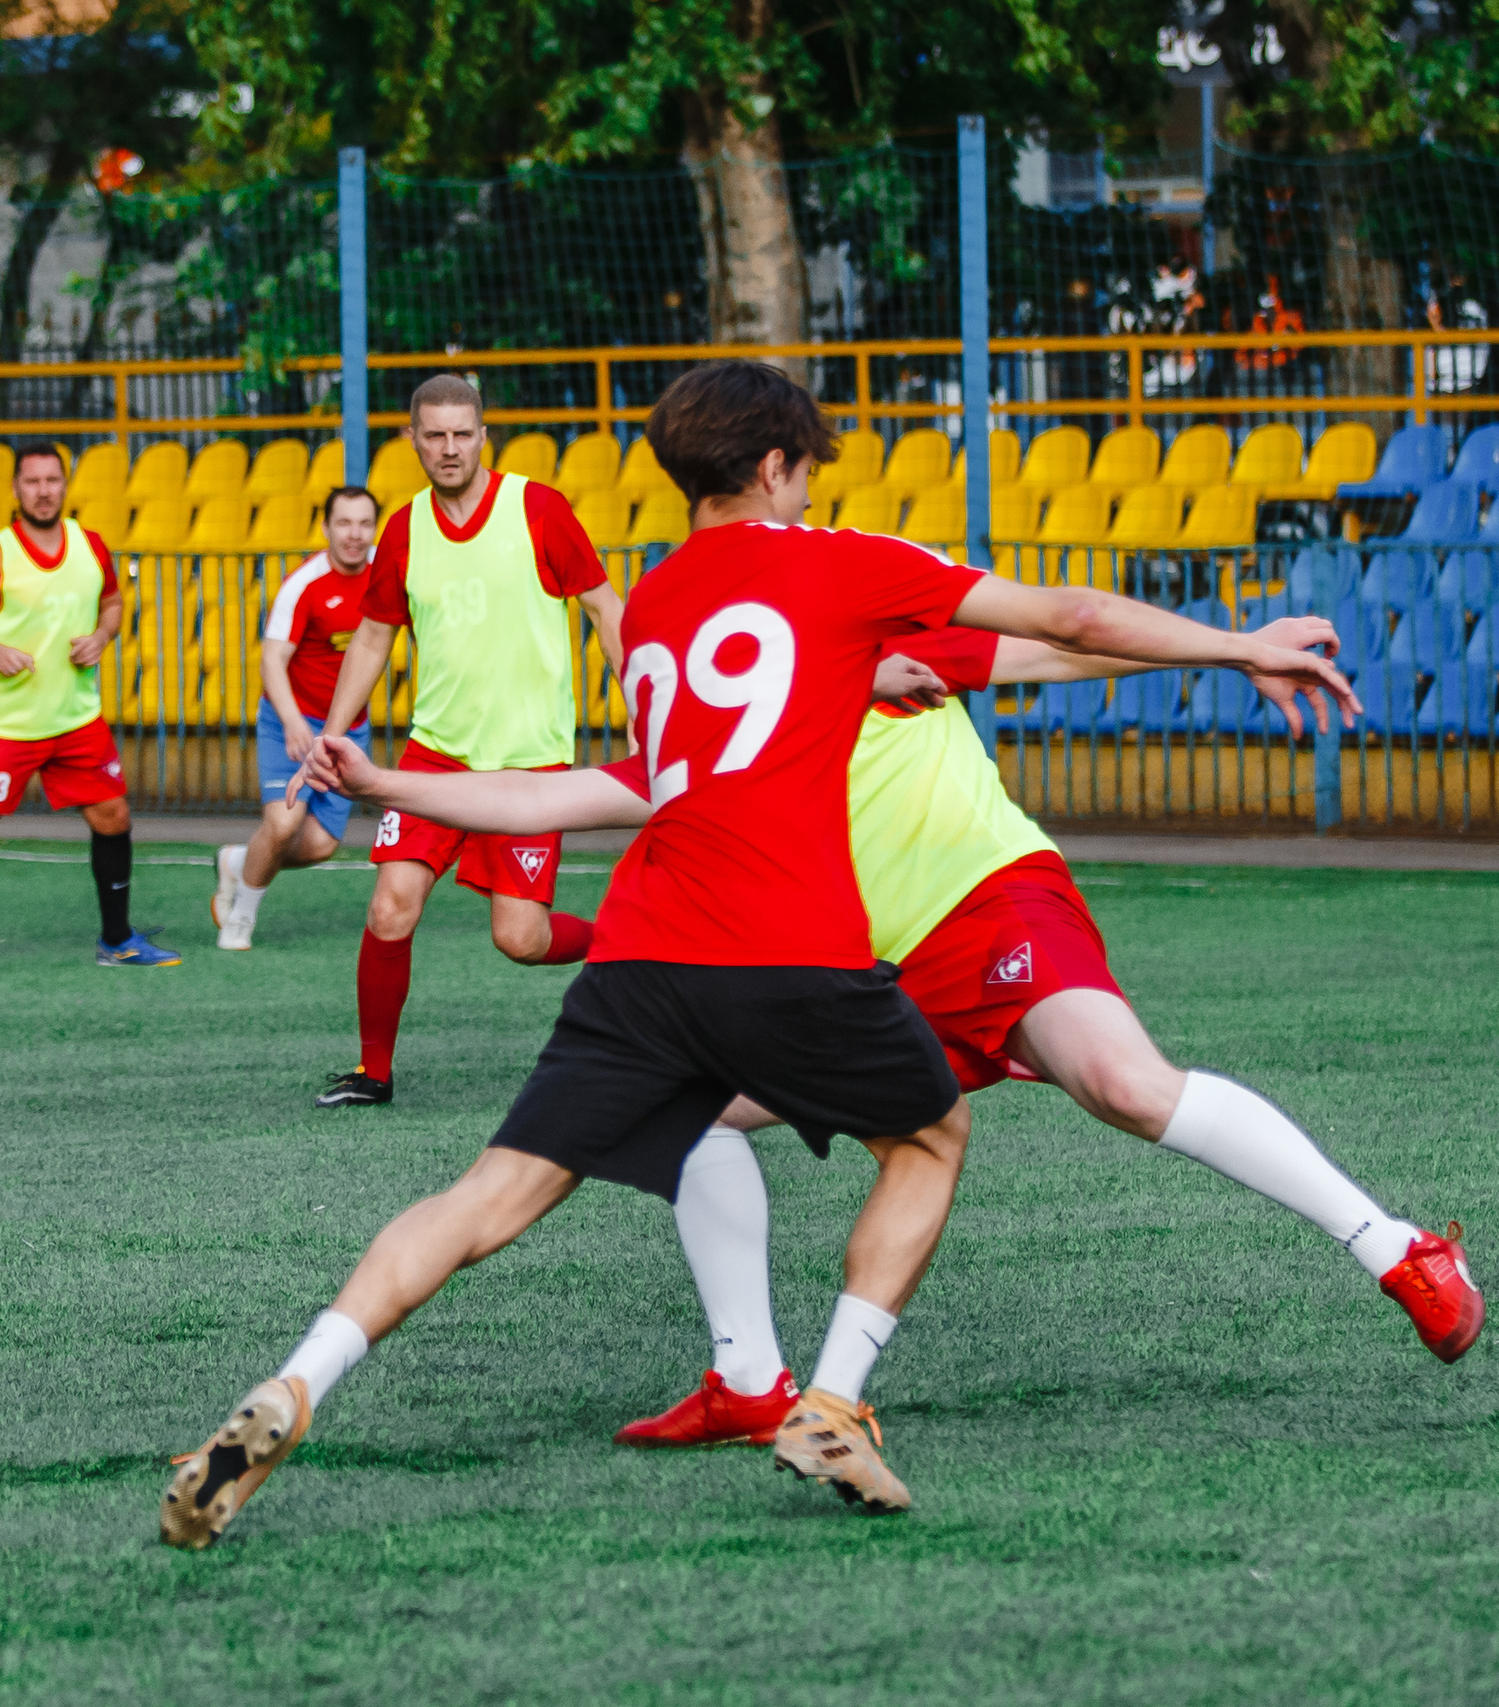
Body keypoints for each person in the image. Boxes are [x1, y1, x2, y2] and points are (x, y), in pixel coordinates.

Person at [158, 359, 1356, 1546]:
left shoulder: (660, 609)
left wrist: (380, 778)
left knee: (485, 1198)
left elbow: (582, 790)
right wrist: (1236, 642)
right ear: (777, 468)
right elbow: (1073, 620)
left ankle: (294, 1384)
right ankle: (828, 1403)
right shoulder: (837, 564)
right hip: (791, 952)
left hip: (639, 959)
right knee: (932, 1135)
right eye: (803, 473)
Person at [320, 621, 1488, 1450]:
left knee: (1123, 1085)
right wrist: (385, 784)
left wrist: (1231, 646)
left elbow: (1063, 645)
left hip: (988, 902)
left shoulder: (883, 647)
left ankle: (1394, 1248)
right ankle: (747, 1381)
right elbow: (555, 794)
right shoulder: (728, 742)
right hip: (869, 974)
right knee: (685, 1119)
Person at [309, 375, 626, 1107]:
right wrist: (329, 736)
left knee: (521, 938)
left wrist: (641, 702)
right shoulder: (404, 528)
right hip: (436, 758)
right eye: (434, 435)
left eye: (462, 433)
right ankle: (373, 1071)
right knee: (391, 905)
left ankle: (626, 941)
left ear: (485, 436)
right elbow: (373, 637)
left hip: (529, 766)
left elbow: (607, 610)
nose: (449, 448)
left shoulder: (539, 510)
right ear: (412, 439)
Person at [0, 442, 177, 972]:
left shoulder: (91, 546)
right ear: (16, 489)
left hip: (76, 720)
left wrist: (103, 635)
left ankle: (117, 940)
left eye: (52, 481)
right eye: (32, 482)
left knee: (114, 817)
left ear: (65, 486)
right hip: (10, 726)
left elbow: (112, 603)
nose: (44, 491)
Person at [210, 485, 381, 951]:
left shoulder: (387, 574)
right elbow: (271, 660)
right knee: (284, 824)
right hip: (294, 722)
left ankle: (239, 861)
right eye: (344, 523)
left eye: (365, 523)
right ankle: (241, 917)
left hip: (348, 729)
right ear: (326, 528)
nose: (354, 534)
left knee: (322, 845)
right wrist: (291, 721)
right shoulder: (302, 584)